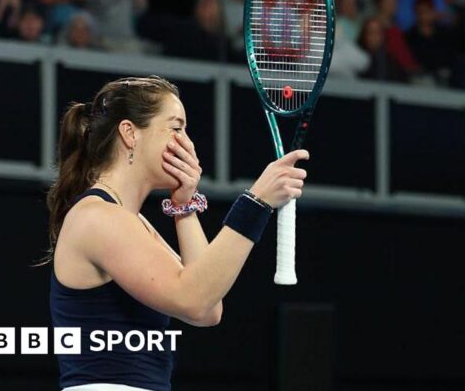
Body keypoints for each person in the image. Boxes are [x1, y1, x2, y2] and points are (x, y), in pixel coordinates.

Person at [45, 76, 309, 390]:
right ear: (130, 133)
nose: (188, 144)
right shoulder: (98, 217)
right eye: (176, 128)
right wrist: (256, 202)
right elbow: (194, 300)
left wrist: (184, 207)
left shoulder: (130, 221)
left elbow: (208, 308)